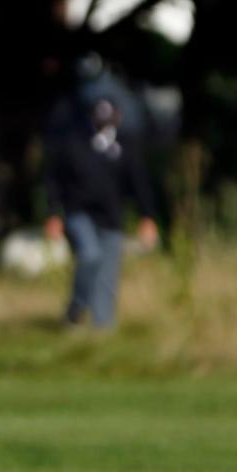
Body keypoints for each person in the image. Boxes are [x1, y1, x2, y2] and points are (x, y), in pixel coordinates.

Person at [44, 95, 160, 328]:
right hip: (79, 213)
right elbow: (55, 180)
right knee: (90, 255)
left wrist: (147, 216)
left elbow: (139, 184)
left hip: (112, 217)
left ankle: (102, 329)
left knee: (108, 276)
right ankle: (76, 308)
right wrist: (53, 213)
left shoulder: (126, 147)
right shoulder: (74, 143)